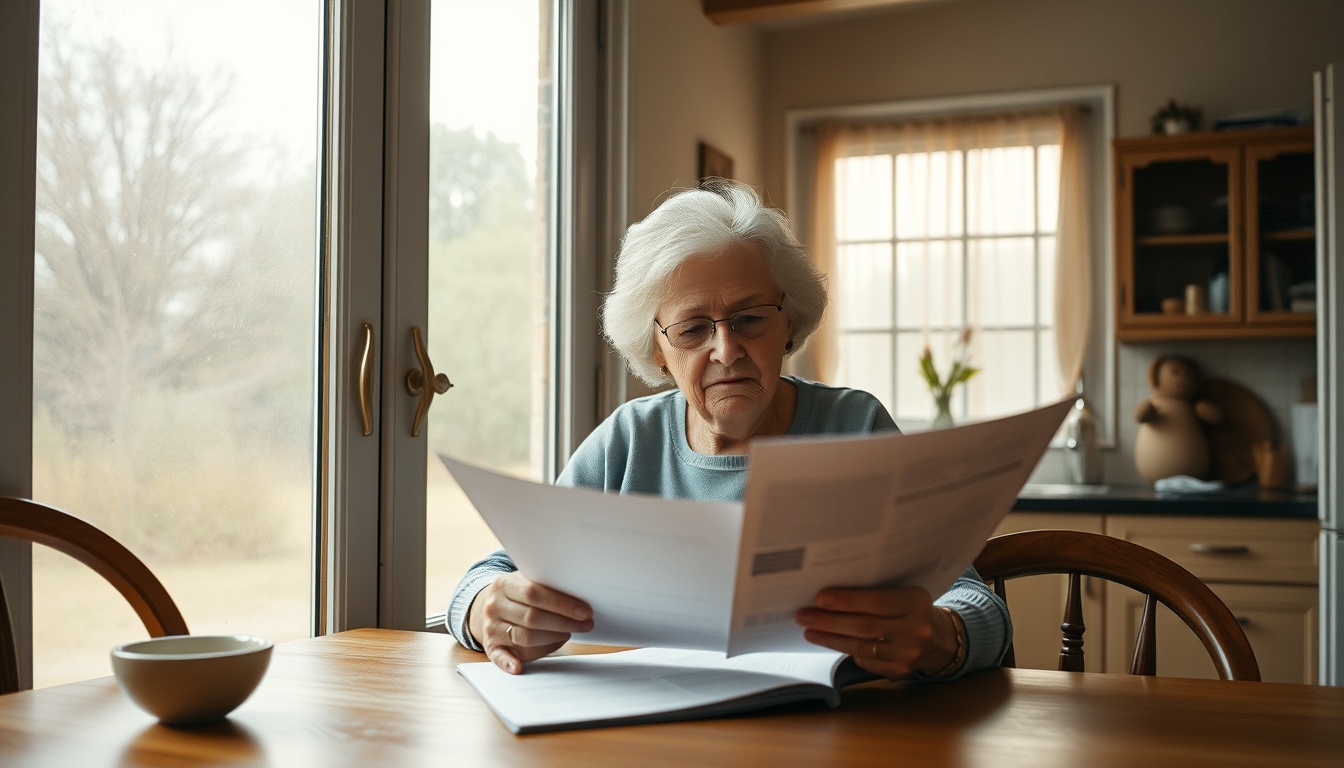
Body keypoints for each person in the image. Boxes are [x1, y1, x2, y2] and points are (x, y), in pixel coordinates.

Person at [448, 180, 1011, 681]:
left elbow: (975, 602)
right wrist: (485, 610)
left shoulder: (853, 426)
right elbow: (495, 572)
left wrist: (941, 638)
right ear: (658, 352)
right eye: (693, 329)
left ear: (788, 324)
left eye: (750, 319)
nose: (726, 350)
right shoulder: (628, 440)